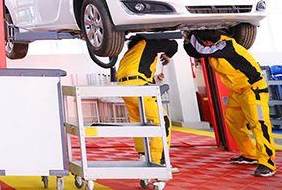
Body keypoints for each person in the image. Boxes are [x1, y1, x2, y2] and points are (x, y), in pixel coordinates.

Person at [183, 29, 275, 177]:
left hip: (254, 90)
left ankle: (267, 163)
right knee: (233, 122)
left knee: (259, 125)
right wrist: (188, 41)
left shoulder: (227, 46)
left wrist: (191, 35)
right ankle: (250, 155)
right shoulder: (213, 48)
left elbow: (202, 51)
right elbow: (195, 52)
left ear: (207, 42)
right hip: (237, 92)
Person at [116, 35, 177, 166]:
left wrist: (153, 80)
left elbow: (134, 72)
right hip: (138, 87)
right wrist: (167, 56)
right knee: (162, 122)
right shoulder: (147, 42)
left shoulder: (132, 52)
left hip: (125, 88)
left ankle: (143, 155)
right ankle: (158, 161)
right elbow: (172, 45)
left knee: (138, 122)